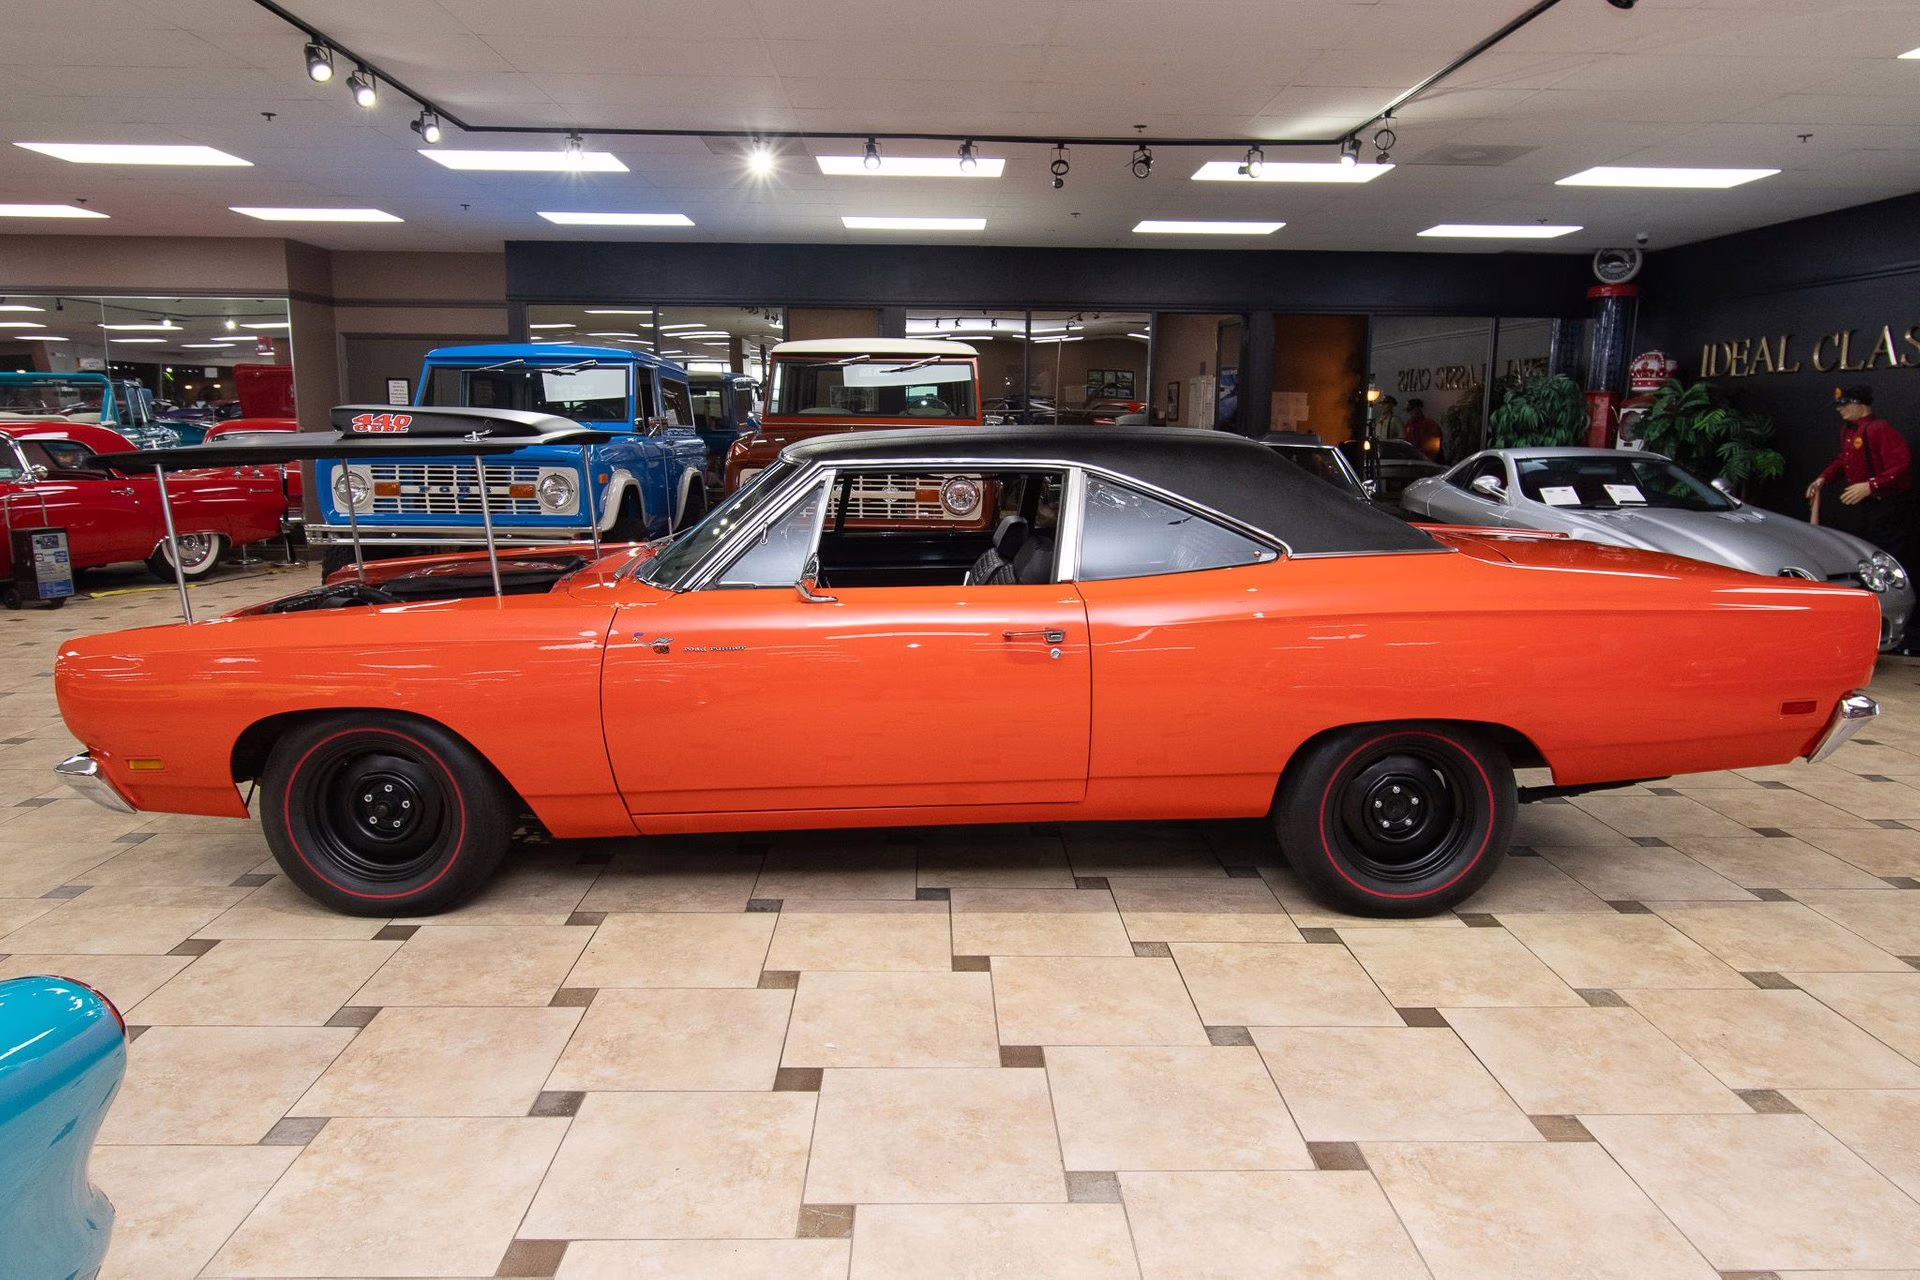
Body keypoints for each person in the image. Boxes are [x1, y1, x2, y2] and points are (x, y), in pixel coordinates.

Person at [1807, 384, 1912, 567]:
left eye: (1845, 404)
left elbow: (1901, 463)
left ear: (1859, 405)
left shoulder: (1879, 428)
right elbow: (1844, 460)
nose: (1840, 409)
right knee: (1865, 548)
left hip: (1887, 504)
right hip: (1867, 505)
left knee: (1887, 551)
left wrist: (1871, 485)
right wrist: (1824, 478)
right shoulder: (1849, 430)